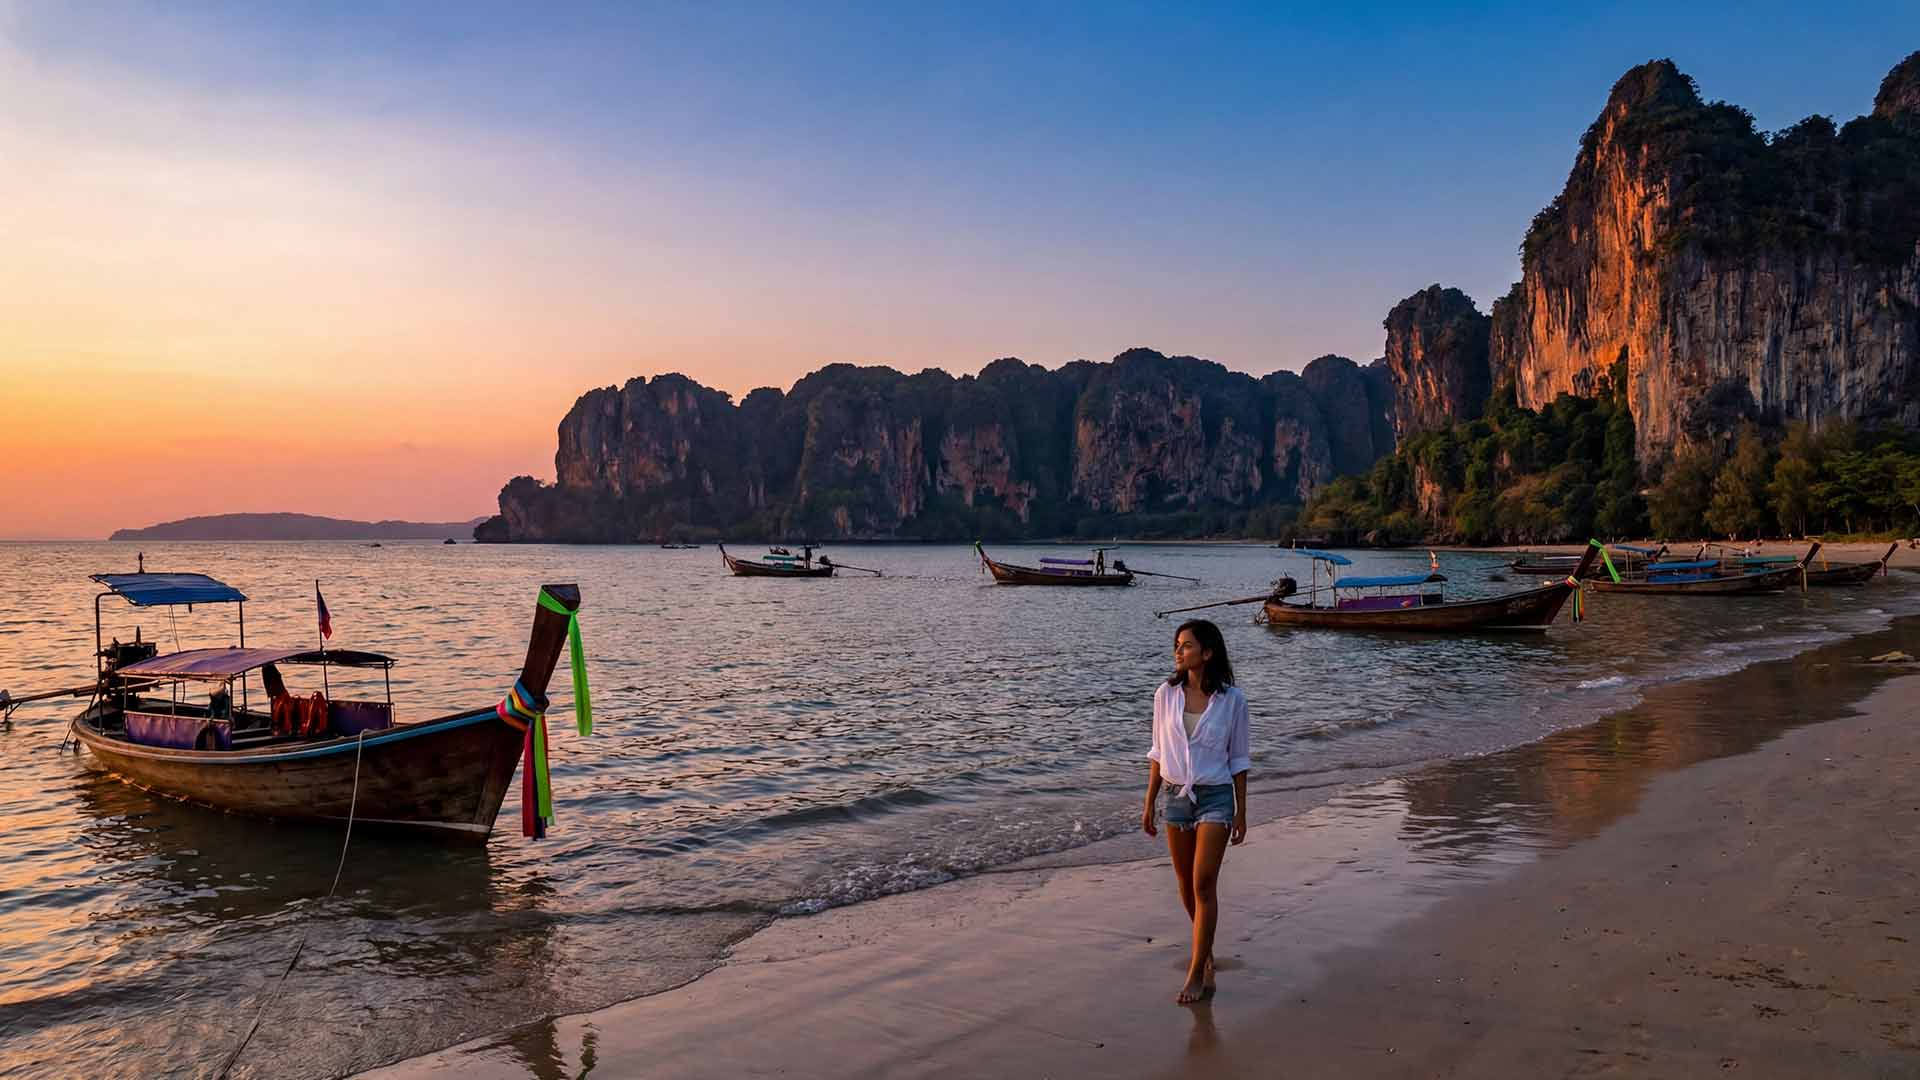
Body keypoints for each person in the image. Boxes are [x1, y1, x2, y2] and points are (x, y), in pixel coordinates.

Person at [1141, 619, 1250, 1005]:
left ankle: (1195, 970)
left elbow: (1238, 759)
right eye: (1177, 645)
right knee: (1186, 886)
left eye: (1186, 645)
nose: (1178, 651)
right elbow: (1157, 753)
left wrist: (1240, 811)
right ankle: (1206, 956)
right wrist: (1149, 800)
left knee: (1204, 883)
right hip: (1175, 797)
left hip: (1216, 796)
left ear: (1207, 652)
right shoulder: (1164, 695)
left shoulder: (1233, 700)